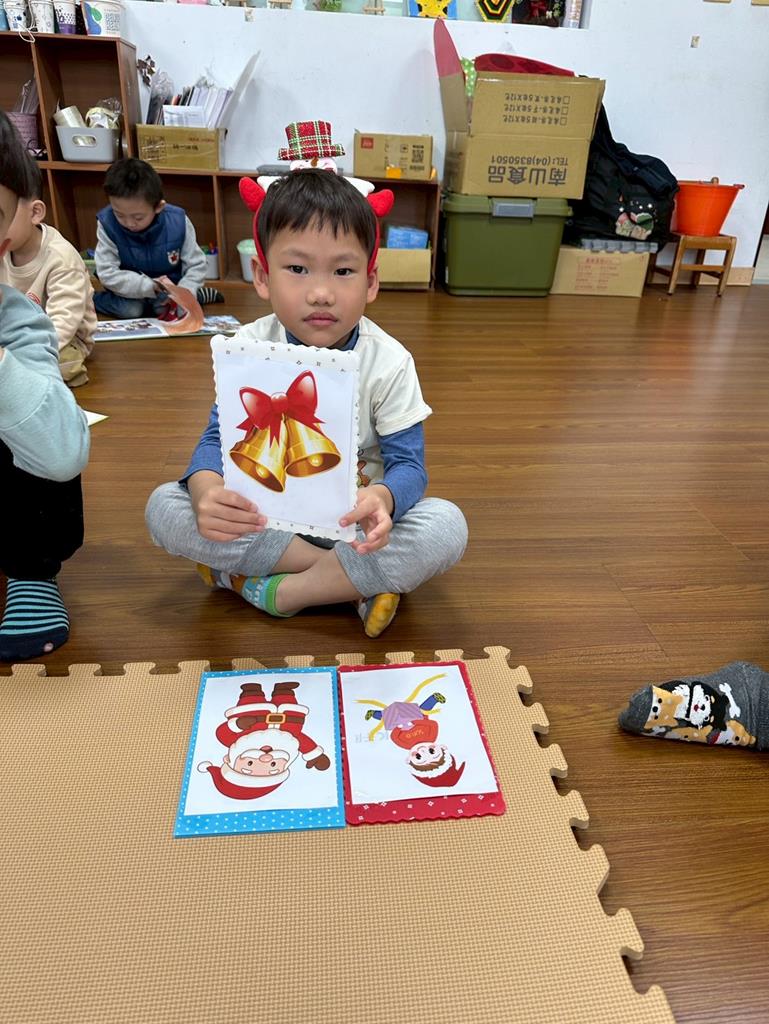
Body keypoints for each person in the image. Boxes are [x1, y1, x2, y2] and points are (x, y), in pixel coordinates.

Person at [145, 168, 467, 638]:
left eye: (343, 271)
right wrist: (207, 493)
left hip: (356, 527)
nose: (320, 293)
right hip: (267, 520)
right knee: (165, 507)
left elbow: (409, 467)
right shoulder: (247, 347)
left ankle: (276, 591)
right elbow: (217, 438)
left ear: (371, 282)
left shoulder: (389, 361)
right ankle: (346, 584)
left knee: (446, 525)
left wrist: (382, 498)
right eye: (297, 269)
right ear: (262, 276)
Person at [0, 111, 90, 661]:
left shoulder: (22, 309)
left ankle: (32, 573)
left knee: (50, 413)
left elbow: (62, 453)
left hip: (49, 339)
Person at [0, 150, 96, 387]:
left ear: (35, 212)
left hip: (64, 338)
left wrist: (23, 355)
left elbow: (63, 322)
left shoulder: (61, 257)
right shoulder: (5, 248)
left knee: (61, 364)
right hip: (18, 331)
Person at [93, 157, 222, 320]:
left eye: (138, 217)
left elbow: (196, 264)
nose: (129, 223)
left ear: (158, 207)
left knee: (169, 308)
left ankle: (197, 294)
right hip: (127, 292)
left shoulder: (178, 221)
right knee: (132, 311)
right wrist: (149, 285)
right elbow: (107, 273)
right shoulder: (107, 223)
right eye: (119, 215)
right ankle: (93, 299)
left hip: (168, 290)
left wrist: (186, 290)